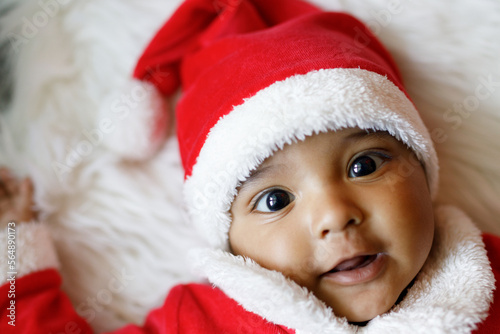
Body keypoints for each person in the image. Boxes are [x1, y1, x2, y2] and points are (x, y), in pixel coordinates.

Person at [1, 0, 500, 332]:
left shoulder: (486, 280)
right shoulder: (204, 322)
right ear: (229, 237)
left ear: (422, 166)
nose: (334, 215)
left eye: (364, 165)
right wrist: (11, 253)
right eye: (275, 200)